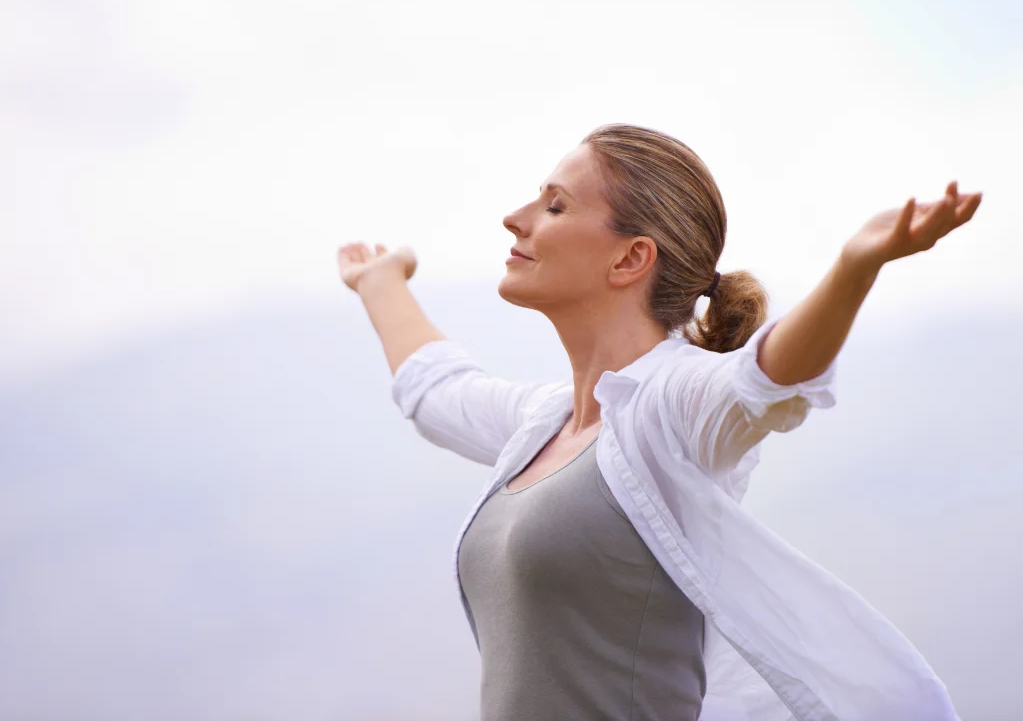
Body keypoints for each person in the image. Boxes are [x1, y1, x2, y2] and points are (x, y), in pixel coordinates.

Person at [338, 123, 982, 721]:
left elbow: (764, 379)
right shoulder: (544, 422)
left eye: (555, 206)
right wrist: (379, 281)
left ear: (629, 259)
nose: (515, 218)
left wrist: (853, 269)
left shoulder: (671, 404)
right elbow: (438, 390)